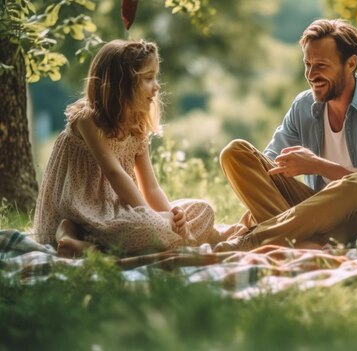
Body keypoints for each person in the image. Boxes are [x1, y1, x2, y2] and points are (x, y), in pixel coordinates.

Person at [215, 19, 357, 252]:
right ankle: (303, 242)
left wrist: (316, 165)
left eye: (321, 66)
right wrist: (265, 178)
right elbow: (269, 168)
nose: (311, 74)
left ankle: (252, 241)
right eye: (307, 64)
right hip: (319, 219)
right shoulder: (304, 106)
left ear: (351, 63)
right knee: (235, 153)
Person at [32, 39, 220, 257]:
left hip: (119, 213)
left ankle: (94, 248)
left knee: (203, 211)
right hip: (82, 213)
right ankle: (75, 234)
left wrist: (172, 217)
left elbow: (150, 188)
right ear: (122, 85)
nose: (157, 86)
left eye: (155, 77)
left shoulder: (136, 125)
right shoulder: (87, 120)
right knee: (152, 229)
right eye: (149, 78)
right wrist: (153, 219)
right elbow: (115, 174)